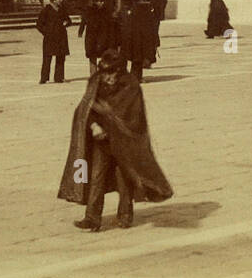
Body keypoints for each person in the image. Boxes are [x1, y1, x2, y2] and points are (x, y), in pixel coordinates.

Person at [58, 48, 173, 231]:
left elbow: (134, 119)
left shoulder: (131, 86)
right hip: (101, 141)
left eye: (111, 73)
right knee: (96, 176)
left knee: (124, 178)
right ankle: (92, 218)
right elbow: (86, 108)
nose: (107, 77)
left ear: (119, 71)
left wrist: (111, 124)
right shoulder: (96, 81)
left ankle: (125, 216)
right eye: (104, 73)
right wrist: (93, 125)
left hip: (124, 143)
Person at [37, 0, 71, 85]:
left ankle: (59, 77)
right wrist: (46, 32)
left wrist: (66, 23)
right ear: (54, 0)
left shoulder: (62, 9)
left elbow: (69, 20)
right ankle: (44, 78)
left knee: (61, 57)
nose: (61, 1)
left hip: (61, 37)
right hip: (50, 38)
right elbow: (39, 24)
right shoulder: (46, 10)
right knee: (47, 58)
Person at [79, 0, 114, 74]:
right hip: (92, 37)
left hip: (103, 37)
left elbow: (110, 24)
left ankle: (103, 75)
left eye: (102, 1)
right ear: (95, 2)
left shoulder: (106, 11)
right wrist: (81, 31)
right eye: (99, 1)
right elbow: (84, 21)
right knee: (92, 57)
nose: (101, 3)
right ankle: (93, 75)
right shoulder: (90, 11)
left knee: (104, 57)